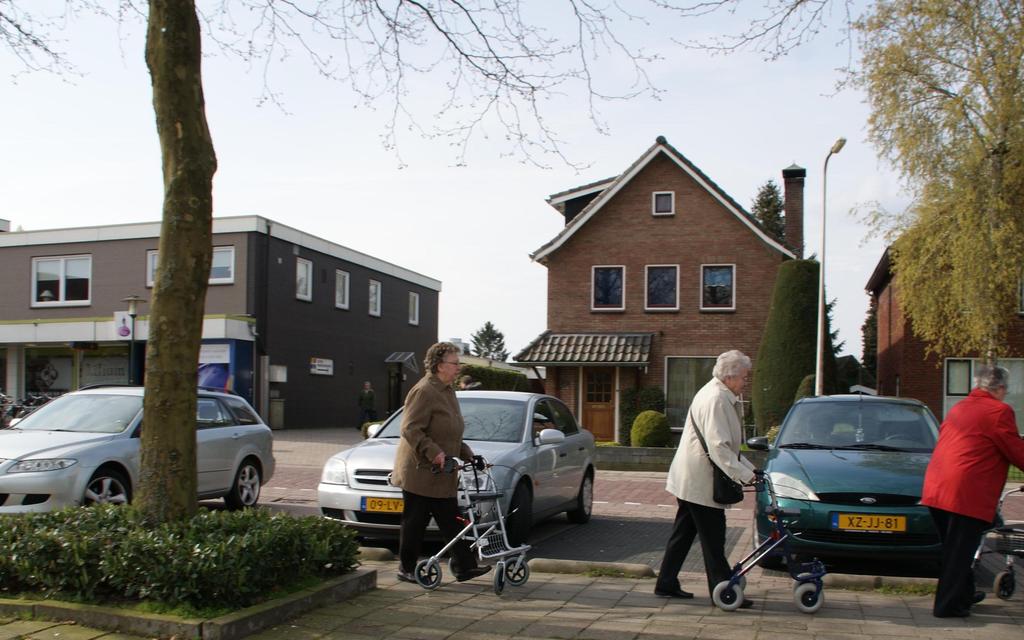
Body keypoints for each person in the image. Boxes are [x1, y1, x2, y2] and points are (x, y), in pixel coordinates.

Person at [920, 364, 1024, 618]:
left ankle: (964, 594)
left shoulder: (960, 408)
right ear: (999, 388)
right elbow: (1016, 451)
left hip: (937, 489)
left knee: (953, 549)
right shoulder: (999, 411)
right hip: (965, 493)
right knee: (960, 552)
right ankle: (948, 607)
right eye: (1005, 389)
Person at [655, 350, 757, 606]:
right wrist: (747, 476)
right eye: (745, 377)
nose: (747, 381)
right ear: (731, 376)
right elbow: (719, 447)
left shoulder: (715, 393)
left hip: (691, 477)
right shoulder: (717, 400)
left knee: (684, 533)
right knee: (714, 537)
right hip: (700, 479)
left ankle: (666, 583)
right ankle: (723, 591)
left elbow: (725, 447)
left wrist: (750, 469)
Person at [390, 342, 491, 584]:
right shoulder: (424, 391)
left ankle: (465, 567)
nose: (459, 367)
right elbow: (410, 428)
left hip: (443, 471)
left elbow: (450, 432)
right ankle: (406, 568)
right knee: (415, 521)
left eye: (458, 363)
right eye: (454, 363)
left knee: (452, 520)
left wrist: (467, 454)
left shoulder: (447, 391)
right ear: (439, 365)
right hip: (421, 471)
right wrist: (433, 452)